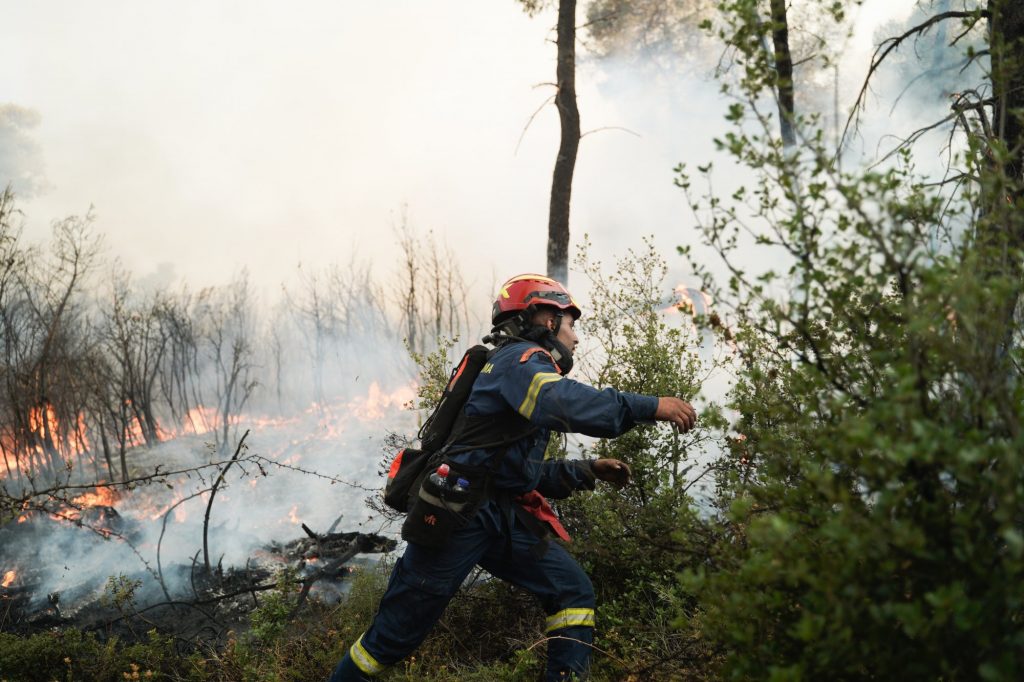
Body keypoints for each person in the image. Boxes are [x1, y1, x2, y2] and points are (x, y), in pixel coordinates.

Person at [328, 274, 697, 681]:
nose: (576, 339)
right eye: (571, 325)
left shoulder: (516, 369)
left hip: (497, 514)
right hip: (458, 516)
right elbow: (562, 401)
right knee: (391, 639)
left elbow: (513, 472)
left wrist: (586, 470)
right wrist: (650, 405)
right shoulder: (519, 361)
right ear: (545, 318)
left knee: (571, 591)